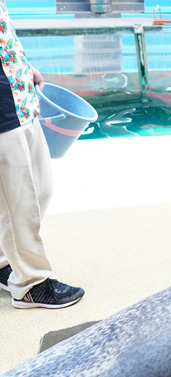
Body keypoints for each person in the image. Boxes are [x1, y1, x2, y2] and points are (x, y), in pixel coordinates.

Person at [0, 6, 84, 309]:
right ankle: (30, 285)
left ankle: (5, 261)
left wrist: (23, 66)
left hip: (19, 94)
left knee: (40, 188)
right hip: (3, 111)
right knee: (18, 203)